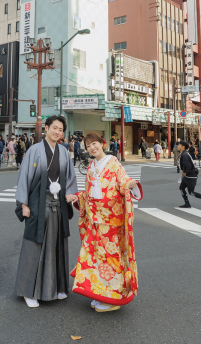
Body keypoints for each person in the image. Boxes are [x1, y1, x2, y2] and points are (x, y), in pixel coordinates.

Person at [71, 132, 142, 312]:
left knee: (111, 260)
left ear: (102, 144)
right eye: (88, 146)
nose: (92, 148)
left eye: (94, 143)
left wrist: (130, 184)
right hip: (95, 221)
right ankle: (101, 292)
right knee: (96, 259)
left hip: (111, 222)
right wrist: (77, 197)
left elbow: (122, 181)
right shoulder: (91, 167)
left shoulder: (113, 163)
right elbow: (88, 194)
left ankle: (114, 297)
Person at [14, 115, 78, 308]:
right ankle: (28, 291)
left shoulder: (64, 152)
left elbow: (70, 178)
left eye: (60, 130)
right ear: (47, 128)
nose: (57, 132)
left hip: (57, 204)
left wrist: (72, 194)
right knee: (35, 244)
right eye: (54, 128)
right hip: (37, 204)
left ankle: (57, 287)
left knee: (58, 244)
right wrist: (23, 204)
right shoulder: (34, 150)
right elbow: (24, 177)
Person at [176, 141, 201, 209]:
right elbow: (184, 165)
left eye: (179, 145)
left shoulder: (184, 155)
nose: (177, 146)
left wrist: (185, 173)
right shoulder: (183, 154)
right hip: (187, 176)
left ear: (183, 147)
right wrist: (183, 173)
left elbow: (188, 165)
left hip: (190, 176)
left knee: (191, 192)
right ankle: (187, 203)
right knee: (181, 188)